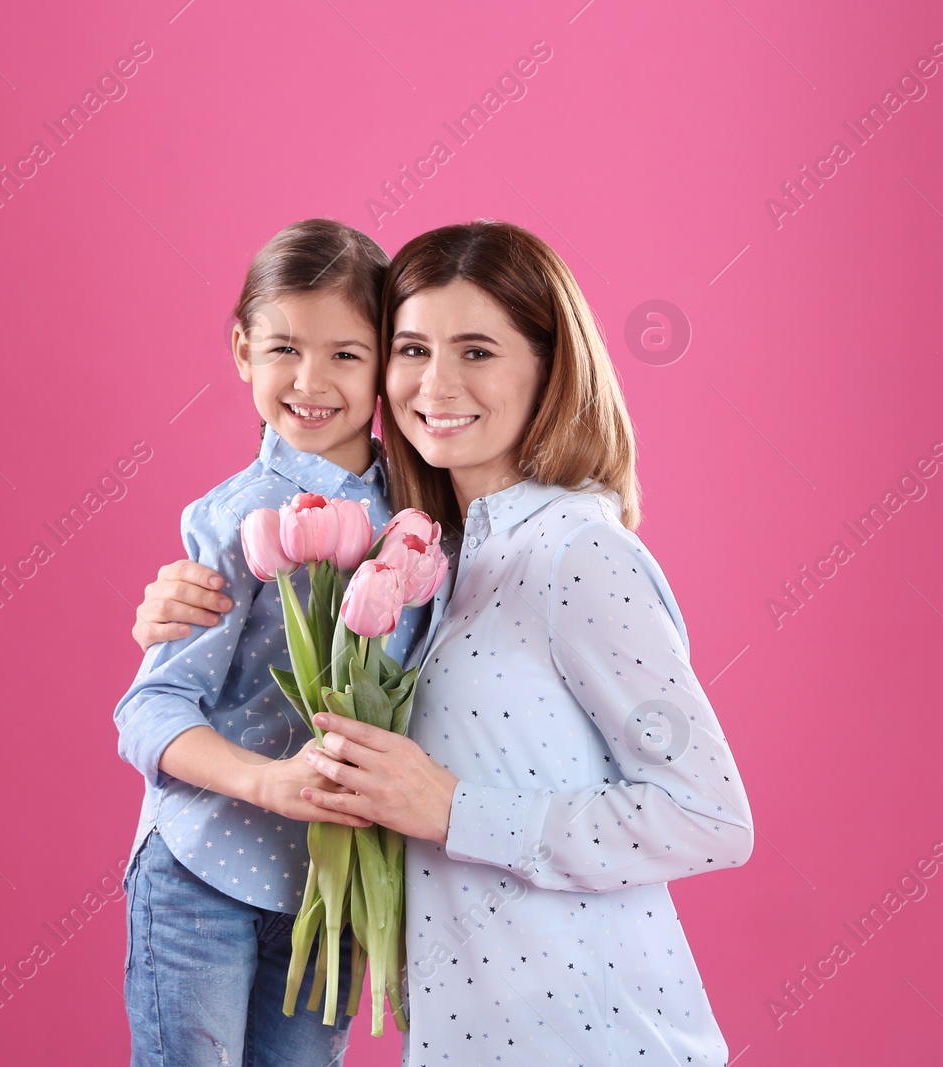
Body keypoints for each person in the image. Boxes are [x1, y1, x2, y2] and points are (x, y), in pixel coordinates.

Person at [131, 220, 754, 1065]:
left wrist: (454, 810)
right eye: (413, 348)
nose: (437, 383)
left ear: (549, 366)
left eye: (478, 351)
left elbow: (708, 816)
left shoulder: (579, 552)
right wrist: (187, 599)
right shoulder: (435, 555)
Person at [114, 217, 433, 1067]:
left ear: (385, 365)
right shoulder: (235, 520)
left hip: (330, 896)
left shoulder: (424, 519)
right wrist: (269, 781)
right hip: (200, 874)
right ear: (242, 349)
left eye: (345, 354)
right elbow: (147, 710)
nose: (310, 380)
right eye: (284, 347)